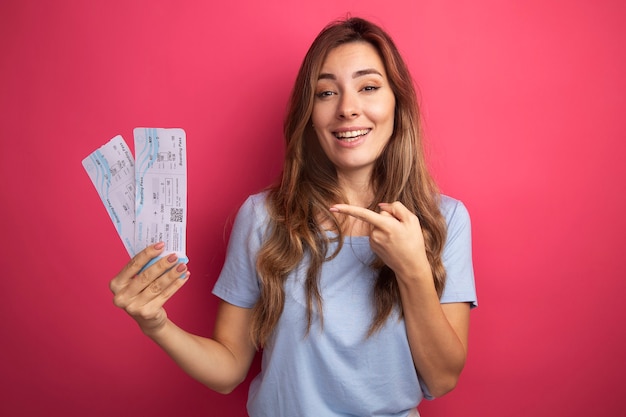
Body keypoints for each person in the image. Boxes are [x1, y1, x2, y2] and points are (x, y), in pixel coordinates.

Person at [110, 16, 477, 417]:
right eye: (326, 93)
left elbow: (441, 379)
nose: (347, 109)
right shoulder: (263, 217)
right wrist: (156, 325)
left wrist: (413, 271)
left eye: (368, 87)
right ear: (310, 114)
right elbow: (229, 367)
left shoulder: (446, 219)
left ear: (397, 102)